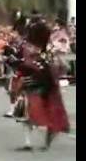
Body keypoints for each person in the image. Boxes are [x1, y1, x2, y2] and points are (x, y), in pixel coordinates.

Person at [6, 20, 70, 151]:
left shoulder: (27, 48)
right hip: (46, 85)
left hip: (33, 84)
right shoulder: (46, 50)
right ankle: (42, 141)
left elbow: (17, 62)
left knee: (28, 113)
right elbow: (61, 67)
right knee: (45, 113)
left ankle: (29, 142)